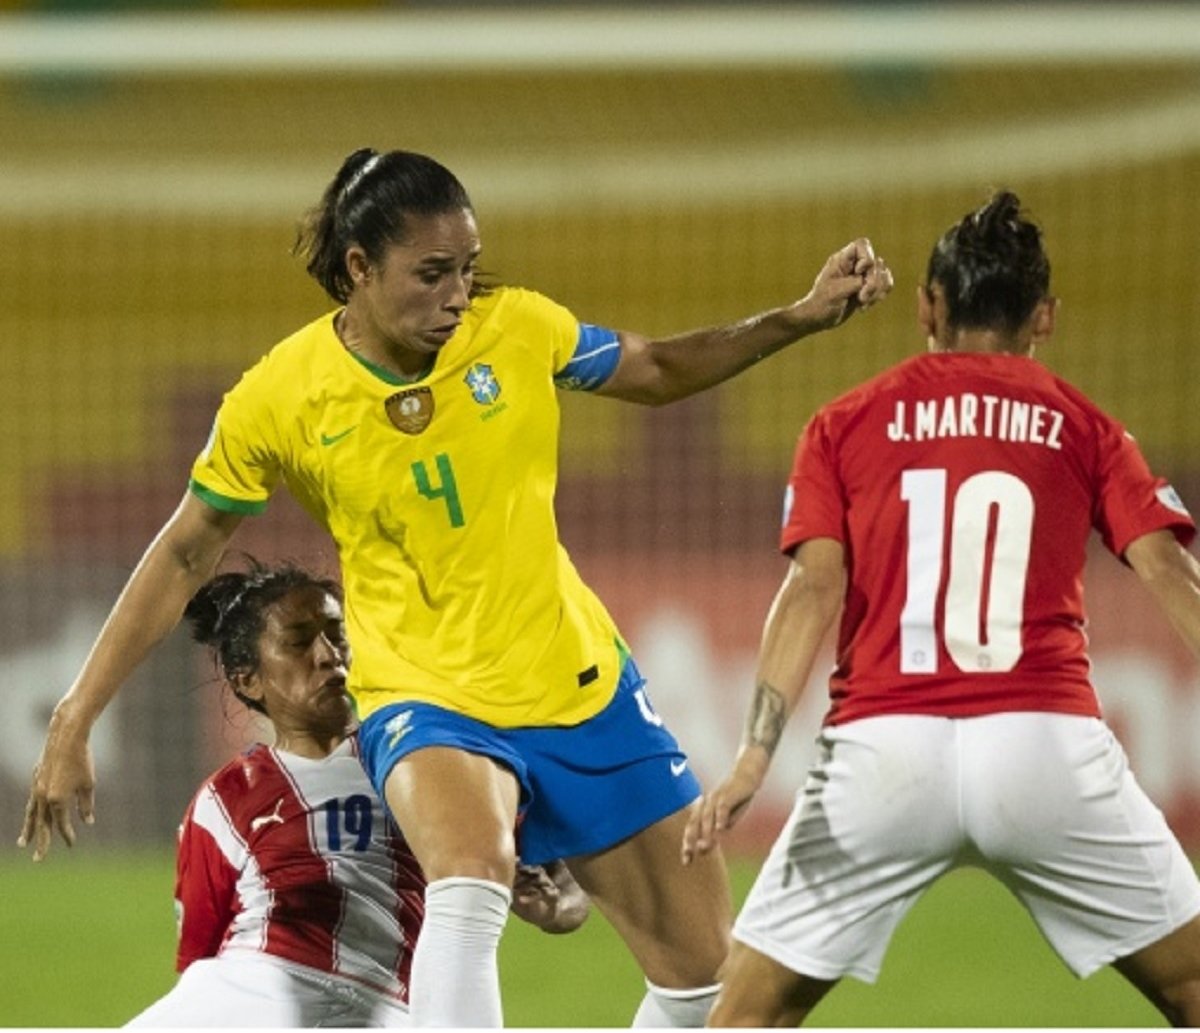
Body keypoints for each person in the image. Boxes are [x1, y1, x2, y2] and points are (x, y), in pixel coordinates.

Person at [19, 147, 892, 1027]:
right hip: (423, 692)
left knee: (707, 984)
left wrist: (800, 317)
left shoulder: (519, 330)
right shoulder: (280, 397)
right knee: (471, 872)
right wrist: (73, 715)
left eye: (467, 269)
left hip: (575, 682)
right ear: (358, 268)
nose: (457, 295)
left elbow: (658, 368)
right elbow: (182, 554)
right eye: (432, 273)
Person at [681, 191, 1200, 1026]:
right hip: (1044, 746)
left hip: (885, 754)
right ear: (1046, 317)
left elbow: (813, 588)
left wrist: (751, 759)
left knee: (744, 1016)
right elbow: (1169, 571)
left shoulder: (843, 422)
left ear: (927, 304)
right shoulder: (1086, 427)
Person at [126, 562, 589, 1028]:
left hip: (384, 1006)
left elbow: (569, 887)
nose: (328, 655)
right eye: (299, 641)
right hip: (259, 985)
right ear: (248, 680)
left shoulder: (422, 761)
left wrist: (553, 906)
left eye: (336, 634)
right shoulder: (222, 802)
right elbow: (199, 957)